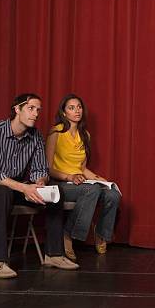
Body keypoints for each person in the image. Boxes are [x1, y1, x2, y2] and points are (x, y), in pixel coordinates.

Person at [0, 93, 79, 279]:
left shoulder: (35, 135)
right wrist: (24, 188)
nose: (35, 114)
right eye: (30, 108)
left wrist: (39, 183)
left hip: (17, 187)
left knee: (55, 191)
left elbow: (40, 169)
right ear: (17, 110)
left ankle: (54, 255)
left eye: (38, 110)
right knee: (1, 191)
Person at [45, 94, 120, 261]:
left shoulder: (85, 134)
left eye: (78, 107)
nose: (76, 110)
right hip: (60, 182)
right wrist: (69, 176)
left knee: (112, 193)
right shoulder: (56, 132)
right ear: (64, 113)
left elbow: (82, 168)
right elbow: (47, 169)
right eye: (71, 108)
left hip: (80, 182)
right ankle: (68, 235)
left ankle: (101, 234)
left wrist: (100, 179)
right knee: (91, 190)